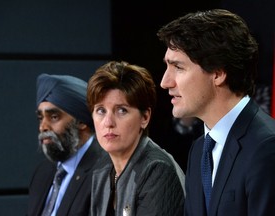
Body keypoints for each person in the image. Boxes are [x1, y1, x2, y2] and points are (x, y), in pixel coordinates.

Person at [157, 8, 275, 216]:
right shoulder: (199, 148)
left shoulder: (266, 149)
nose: (165, 82)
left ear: (218, 74)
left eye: (178, 67)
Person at [87, 61, 185, 216]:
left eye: (121, 110)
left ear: (144, 117)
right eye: (100, 110)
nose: (108, 122)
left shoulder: (157, 170)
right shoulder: (103, 169)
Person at [27, 74, 106, 216]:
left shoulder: (104, 173)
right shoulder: (42, 173)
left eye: (54, 117)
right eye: (40, 118)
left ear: (81, 121)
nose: (43, 127)